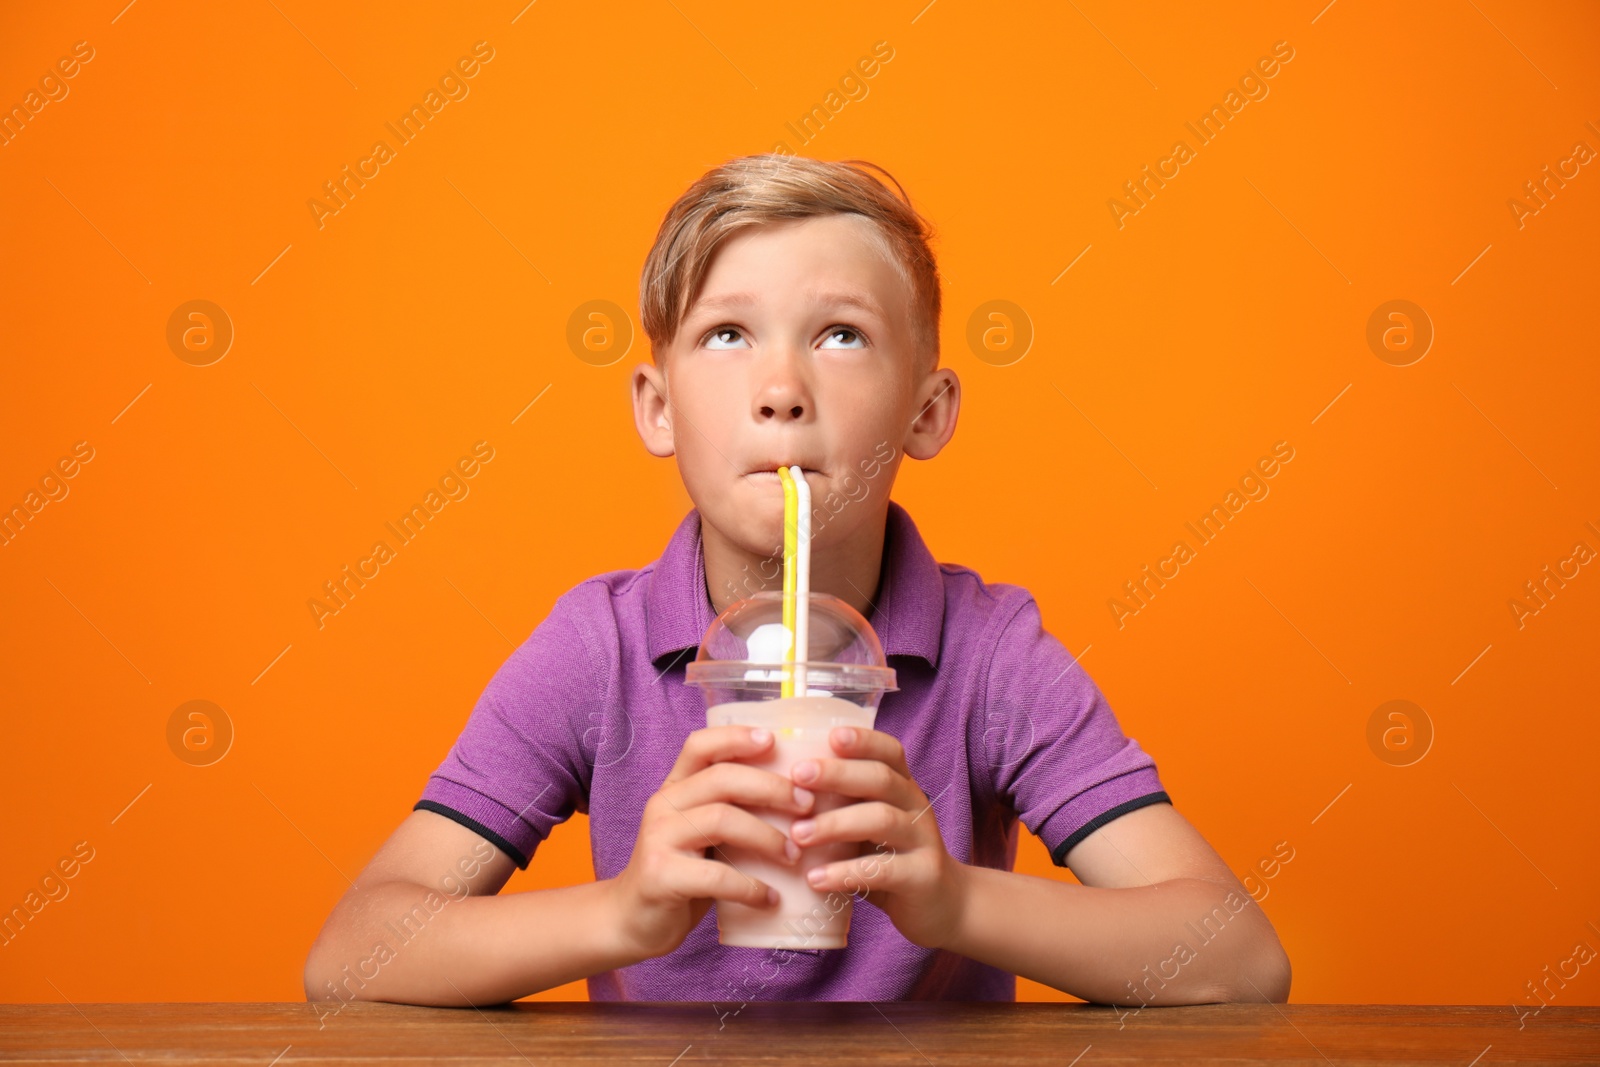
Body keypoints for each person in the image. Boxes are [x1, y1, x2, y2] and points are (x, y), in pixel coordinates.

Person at [303, 154, 1291, 1012]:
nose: (782, 389)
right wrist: (623, 911)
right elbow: (353, 954)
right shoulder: (594, 649)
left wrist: (950, 900)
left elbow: (1238, 959)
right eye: (727, 334)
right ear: (656, 407)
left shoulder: (988, 652)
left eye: (841, 334)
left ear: (927, 410)